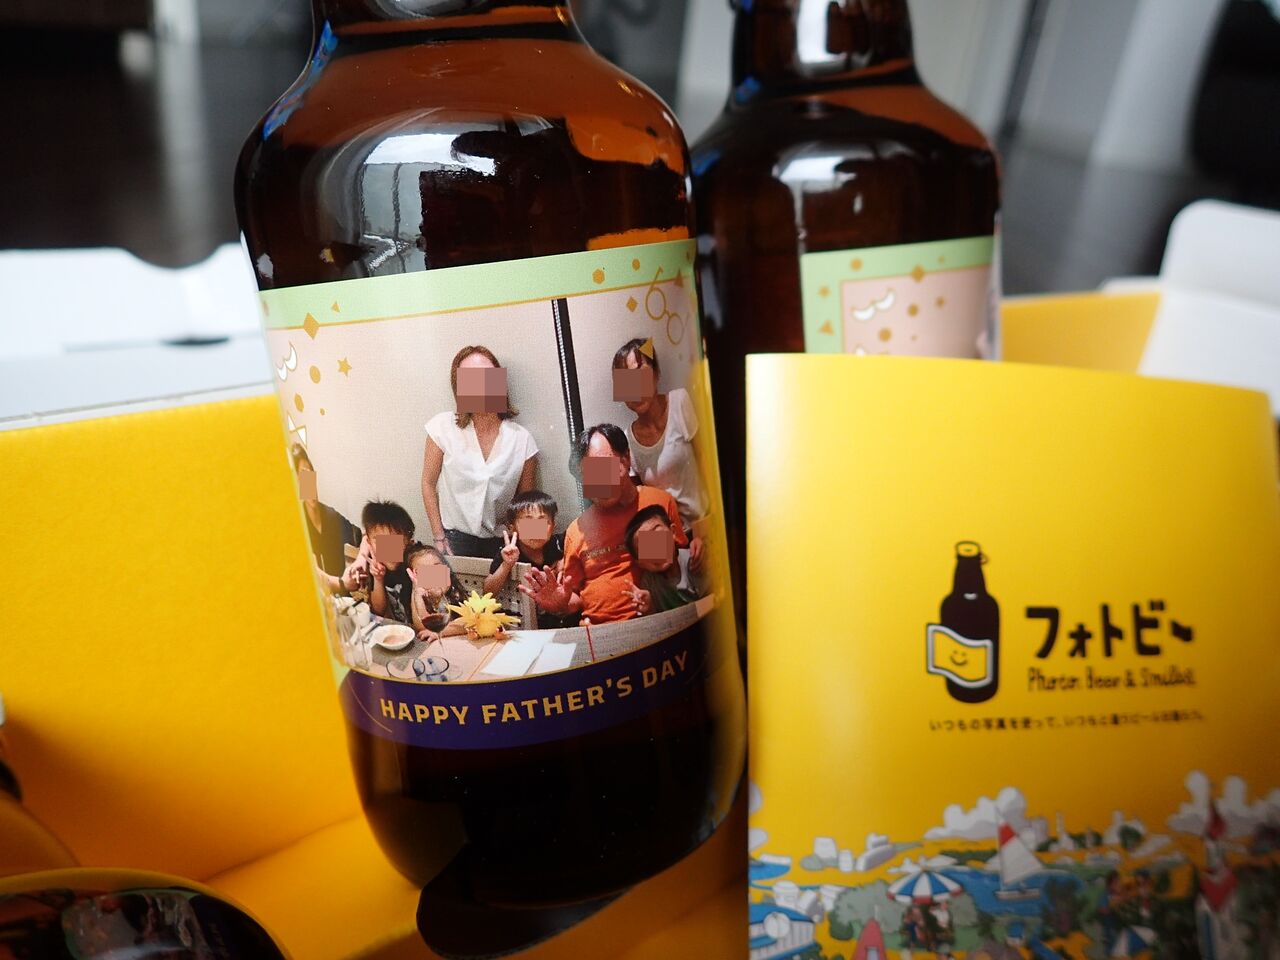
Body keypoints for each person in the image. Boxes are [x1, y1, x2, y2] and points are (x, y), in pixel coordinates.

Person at [521, 424, 697, 625]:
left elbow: (682, 566)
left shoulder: (658, 504)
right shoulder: (577, 531)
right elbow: (574, 595)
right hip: (598, 630)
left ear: (625, 459)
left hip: (657, 620)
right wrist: (560, 604)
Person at [421, 345, 539, 559]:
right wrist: (438, 536)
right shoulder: (441, 428)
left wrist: (530, 549)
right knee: (444, 580)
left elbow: (526, 503)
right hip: (454, 539)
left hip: (501, 541)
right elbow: (428, 483)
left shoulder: (522, 440)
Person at [612, 337, 708, 534]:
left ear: (656, 374)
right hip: (669, 539)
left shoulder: (680, 402)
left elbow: (707, 463)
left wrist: (711, 522)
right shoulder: (627, 441)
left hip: (706, 524)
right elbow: (640, 508)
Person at [484, 491, 575, 629]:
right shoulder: (508, 550)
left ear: (553, 526)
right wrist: (506, 565)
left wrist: (564, 558)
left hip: (561, 619)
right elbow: (487, 592)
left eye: (542, 521)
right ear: (513, 528)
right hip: (524, 623)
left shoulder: (558, 544)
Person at [291, 445, 361, 594]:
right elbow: (311, 573)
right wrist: (342, 583)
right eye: (299, 477)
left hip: (343, 602)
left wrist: (401, 549)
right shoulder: (295, 526)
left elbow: (363, 537)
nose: (305, 481)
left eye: (308, 474)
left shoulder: (331, 517)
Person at [624, 504, 705, 615]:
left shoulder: (695, 559)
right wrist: (649, 608)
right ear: (640, 563)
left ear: (673, 532)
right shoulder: (649, 583)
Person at [344, 500, 416, 625]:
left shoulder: (419, 558)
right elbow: (379, 611)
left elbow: (446, 592)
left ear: (409, 541)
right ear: (370, 543)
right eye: (382, 542)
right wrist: (378, 579)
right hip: (394, 630)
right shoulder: (374, 564)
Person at [404, 542, 468, 640]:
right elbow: (422, 627)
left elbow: (472, 623)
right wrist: (417, 593)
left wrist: (442, 632)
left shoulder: (456, 594)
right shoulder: (419, 599)